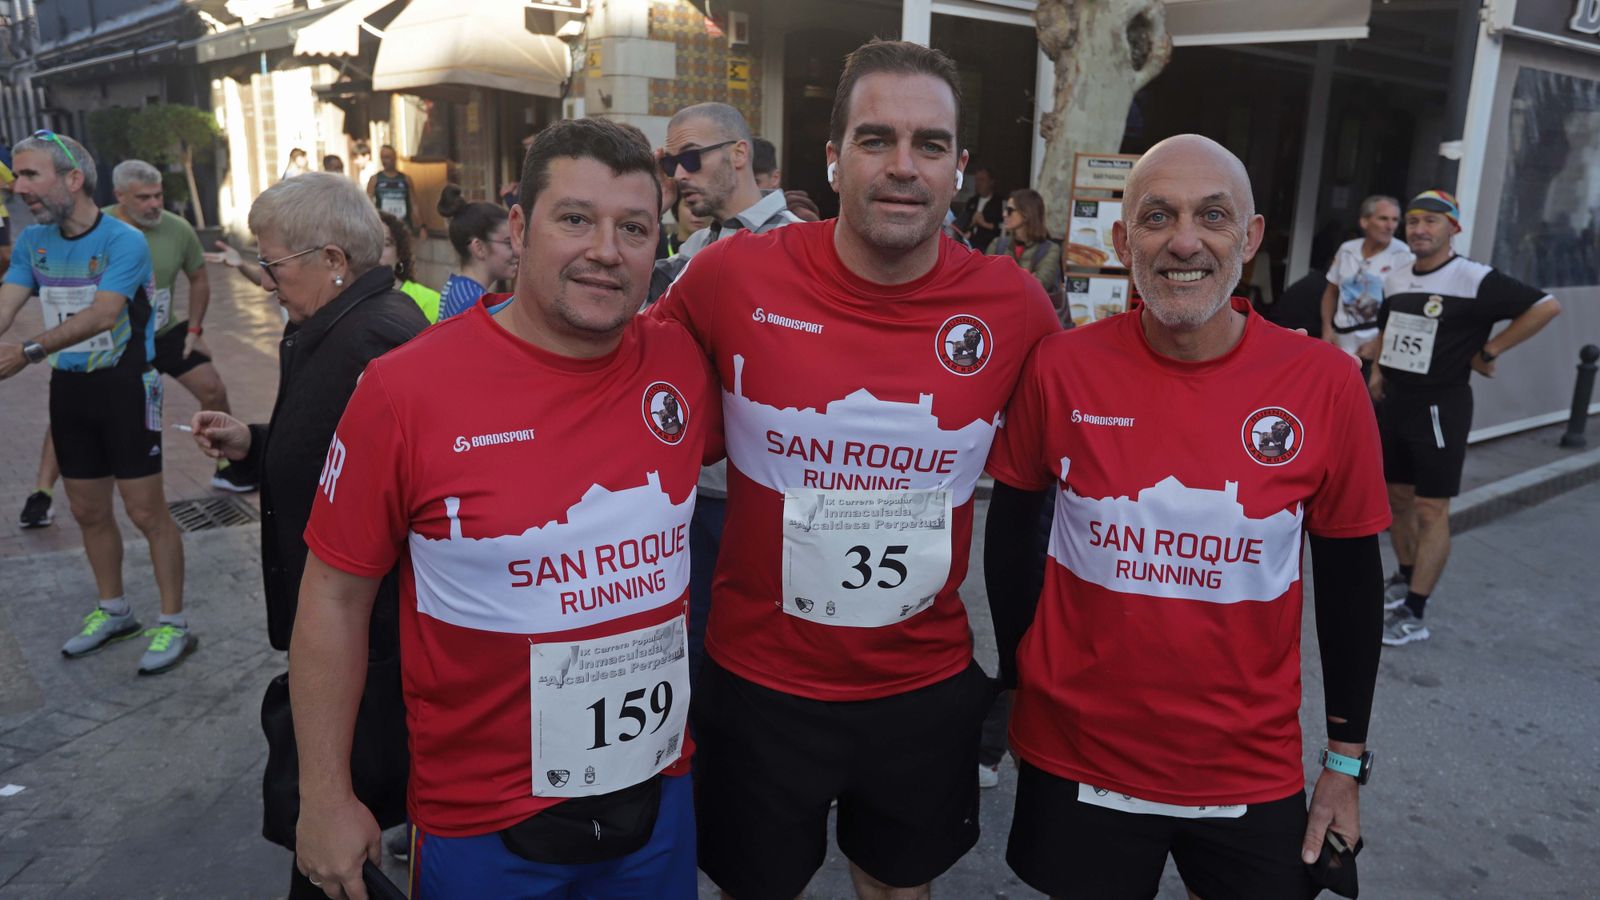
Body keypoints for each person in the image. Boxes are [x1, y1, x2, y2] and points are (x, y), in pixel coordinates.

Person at [650, 40, 1060, 900]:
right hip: (759, 682)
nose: (903, 167)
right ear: (832, 161)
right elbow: (623, 391)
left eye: (930, 145)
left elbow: (1078, 473)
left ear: (959, 170)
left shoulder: (1014, 306)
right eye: (876, 140)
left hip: (921, 686)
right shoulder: (728, 275)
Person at [291, 117, 714, 900]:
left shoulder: (681, 364)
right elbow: (334, 595)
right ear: (519, 228)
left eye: (633, 228)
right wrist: (323, 794)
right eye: (575, 219)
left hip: (656, 792)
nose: (605, 250)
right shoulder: (405, 390)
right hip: (482, 822)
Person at [984, 133, 1390, 900]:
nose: (1184, 241)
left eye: (1212, 215)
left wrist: (1342, 765)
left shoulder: (1325, 383)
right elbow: (1010, 538)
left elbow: (1350, 589)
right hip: (1076, 754)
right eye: (1157, 216)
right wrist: (1014, 676)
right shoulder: (1061, 367)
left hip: (1246, 764)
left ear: (1251, 237)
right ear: (1120, 239)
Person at [186, 171, 425, 900]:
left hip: (371, 645)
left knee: (329, 835)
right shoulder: (324, 327)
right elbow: (332, 456)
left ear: (332, 259)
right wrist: (253, 444)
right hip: (346, 636)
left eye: (273, 262)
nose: (264, 278)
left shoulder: (378, 340)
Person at [0, 131, 195, 674]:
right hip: (70, 388)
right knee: (86, 509)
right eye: (17, 177)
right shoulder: (33, 243)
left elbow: (105, 314)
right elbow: (6, 305)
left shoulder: (123, 240)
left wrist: (30, 352)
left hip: (127, 386)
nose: (20, 188)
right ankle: (114, 611)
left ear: (73, 179)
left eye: (31, 175)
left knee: (145, 511)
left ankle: (174, 623)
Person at [650, 101, 805, 689]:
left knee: (759, 658)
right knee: (687, 646)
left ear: (739, 155)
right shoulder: (690, 253)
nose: (679, 174)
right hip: (694, 492)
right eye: (671, 162)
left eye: (690, 159)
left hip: (767, 496)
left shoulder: (800, 248)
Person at [1368, 190, 1561, 645]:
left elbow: (1546, 306)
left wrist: (1490, 350)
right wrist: (1376, 371)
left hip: (1440, 408)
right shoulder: (1396, 277)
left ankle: (1416, 611)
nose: (1419, 229)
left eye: (1431, 222)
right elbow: (1387, 328)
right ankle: (1406, 575)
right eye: (1413, 221)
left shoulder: (1474, 278)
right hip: (1394, 402)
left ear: (1452, 229)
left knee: (1432, 509)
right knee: (1396, 499)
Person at [1320, 195, 1411, 357]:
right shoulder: (1347, 249)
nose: (1390, 226)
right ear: (1364, 222)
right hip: (1339, 342)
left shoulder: (1403, 255)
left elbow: (1405, 307)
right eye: (1383, 219)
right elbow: (1331, 292)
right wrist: (1327, 328)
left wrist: (1378, 343)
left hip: (1373, 348)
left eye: (1395, 220)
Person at [435, 187, 517, 319]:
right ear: (479, 248)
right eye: (508, 243)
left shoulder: (459, 289)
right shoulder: (473, 305)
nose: (517, 251)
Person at [987, 188, 1063, 306]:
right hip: (1001, 314)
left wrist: (1002, 279)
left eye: (1009, 210)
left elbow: (1038, 286)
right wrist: (1026, 276)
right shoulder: (998, 244)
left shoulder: (1050, 249)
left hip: (1034, 318)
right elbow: (986, 282)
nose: (1004, 214)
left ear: (1026, 213)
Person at [379, 210, 440, 323]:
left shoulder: (430, 301)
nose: (377, 252)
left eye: (386, 244)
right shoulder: (350, 300)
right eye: (372, 243)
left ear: (399, 253)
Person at [366, 144, 424, 238]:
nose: (384, 161)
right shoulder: (375, 180)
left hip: (404, 226)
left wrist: (422, 226)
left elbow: (414, 205)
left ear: (395, 158)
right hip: (384, 228)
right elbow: (367, 205)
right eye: (382, 157)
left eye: (387, 157)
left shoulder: (406, 179)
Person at [960, 164, 1001, 253]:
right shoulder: (972, 201)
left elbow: (1001, 228)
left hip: (988, 246)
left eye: (982, 180)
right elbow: (963, 223)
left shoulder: (999, 203)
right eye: (976, 180)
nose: (978, 184)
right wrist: (971, 224)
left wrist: (983, 223)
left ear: (991, 182)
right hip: (968, 243)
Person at [666, 192, 711, 257]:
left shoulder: (720, 248)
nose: (698, 212)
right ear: (676, 208)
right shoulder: (659, 245)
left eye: (705, 205)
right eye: (690, 204)